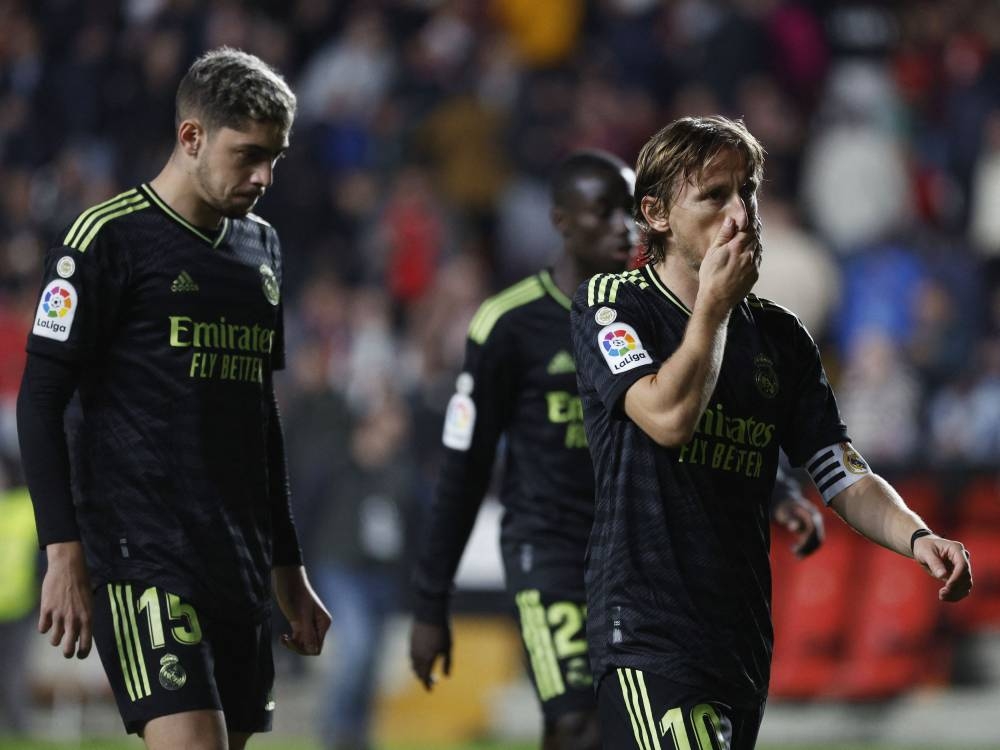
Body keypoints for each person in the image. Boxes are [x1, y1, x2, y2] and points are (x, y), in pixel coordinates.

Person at [568, 115, 972, 750]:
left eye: (747, 191)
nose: (741, 214)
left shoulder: (781, 337)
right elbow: (668, 419)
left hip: (741, 643)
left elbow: (840, 470)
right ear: (657, 213)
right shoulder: (614, 304)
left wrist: (917, 536)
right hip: (648, 635)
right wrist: (713, 309)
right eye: (714, 196)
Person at [407, 149, 825, 748]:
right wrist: (430, 603)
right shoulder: (508, 324)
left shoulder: (658, 314)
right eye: (601, 212)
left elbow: (713, 413)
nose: (622, 227)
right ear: (561, 221)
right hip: (551, 548)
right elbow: (464, 469)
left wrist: (778, 487)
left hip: (637, 553)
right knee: (575, 723)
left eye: (628, 212)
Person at [16, 47, 331, 750]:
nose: (264, 177)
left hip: (237, 557)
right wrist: (63, 553)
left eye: (275, 158)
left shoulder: (263, 249)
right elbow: (39, 400)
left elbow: (261, 418)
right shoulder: (106, 238)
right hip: (142, 552)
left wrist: (288, 569)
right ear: (192, 137)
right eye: (249, 155)